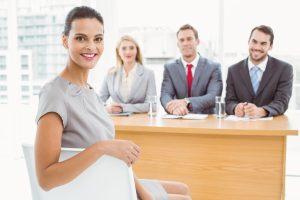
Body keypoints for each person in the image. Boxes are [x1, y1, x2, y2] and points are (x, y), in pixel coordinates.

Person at [34, 6, 191, 200]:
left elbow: (117, 160)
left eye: (98, 39)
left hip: (111, 180)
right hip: (95, 191)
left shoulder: (90, 92)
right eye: (81, 38)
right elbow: (45, 178)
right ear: (65, 40)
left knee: (183, 189)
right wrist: (102, 147)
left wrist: (144, 195)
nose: (91, 46)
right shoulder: (54, 93)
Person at [225, 25, 293, 118]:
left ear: (270, 46)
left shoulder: (284, 69)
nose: (257, 47)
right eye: (254, 41)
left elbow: (282, 102)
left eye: (263, 43)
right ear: (248, 42)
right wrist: (235, 108)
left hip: (271, 128)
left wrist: (262, 111)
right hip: (241, 127)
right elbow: (229, 102)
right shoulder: (233, 70)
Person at [160, 24, 223, 116]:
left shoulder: (213, 67)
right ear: (178, 44)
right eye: (181, 40)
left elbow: (213, 97)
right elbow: (165, 95)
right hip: (179, 118)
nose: (185, 43)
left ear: (197, 41)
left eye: (189, 39)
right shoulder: (170, 68)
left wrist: (187, 102)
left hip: (206, 121)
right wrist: (173, 109)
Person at [100, 35, 156, 114]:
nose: (128, 52)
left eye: (131, 48)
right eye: (124, 48)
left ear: (137, 50)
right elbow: (99, 101)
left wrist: (123, 108)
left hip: (139, 122)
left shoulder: (148, 74)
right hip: (116, 122)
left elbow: (152, 106)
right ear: (118, 51)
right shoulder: (110, 74)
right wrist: (107, 108)